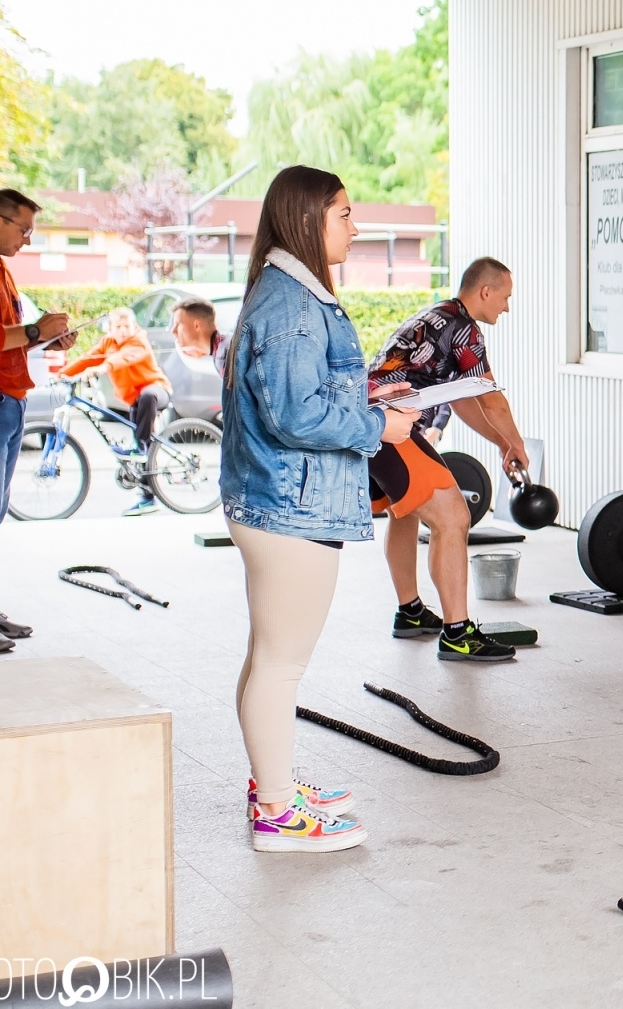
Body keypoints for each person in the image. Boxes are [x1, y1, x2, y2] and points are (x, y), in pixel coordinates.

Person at [220, 164, 417, 853]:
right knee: (280, 665)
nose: (355, 227)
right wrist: (376, 427)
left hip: (278, 500)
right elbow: (296, 414)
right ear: (308, 220)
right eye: (344, 214)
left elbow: (297, 399)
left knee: (267, 657)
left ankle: (271, 783)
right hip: (289, 506)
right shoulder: (294, 307)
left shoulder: (286, 295)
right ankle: (277, 813)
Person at [366, 256, 531, 663]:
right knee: (453, 518)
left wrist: (498, 443)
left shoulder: (438, 316)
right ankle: (458, 634)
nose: (506, 308)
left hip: (371, 422)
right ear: (485, 291)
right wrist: (517, 443)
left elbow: (462, 398)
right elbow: (491, 400)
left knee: (404, 513)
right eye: (505, 298)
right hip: (388, 426)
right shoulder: (464, 330)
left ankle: (410, 613)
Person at [0, 189, 74, 653]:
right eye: (22, 228)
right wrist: (33, 331)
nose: (28, 239)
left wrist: (43, 340)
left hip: (4, 400)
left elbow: (0, 339)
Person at [58, 306, 173, 516]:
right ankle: (148, 499)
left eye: (126, 326)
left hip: (157, 392)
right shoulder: (108, 342)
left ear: (134, 326)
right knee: (143, 447)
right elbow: (88, 358)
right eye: (118, 326)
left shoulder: (139, 341)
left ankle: (141, 451)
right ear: (110, 329)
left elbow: (123, 359)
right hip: (135, 401)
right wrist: (61, 374)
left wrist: (100, 369)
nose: (123, 330)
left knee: (144, 428)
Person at [170, 296, 228, 376]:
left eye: (178, 324)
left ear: (197, 325)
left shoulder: (225, 355)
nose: (173, 331)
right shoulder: (221, 350)